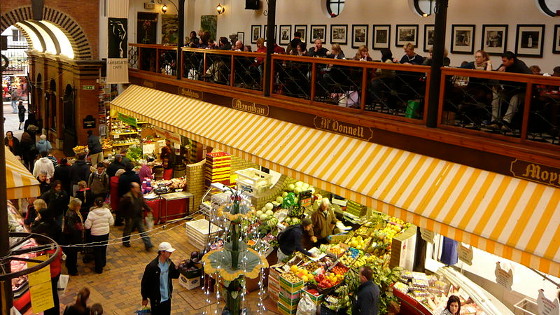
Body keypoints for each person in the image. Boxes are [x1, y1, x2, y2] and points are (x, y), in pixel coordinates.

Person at [487, 51, 532, 131]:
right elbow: (492, 79)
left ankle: (506, 121)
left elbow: (530, 77)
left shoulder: (520, 65)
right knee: (497, 96)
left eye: (505, 61)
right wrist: (499, 73)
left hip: (520, 91)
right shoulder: (503, 66)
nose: (503, 63)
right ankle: (495, 120)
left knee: (515, 99)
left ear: (511, 60)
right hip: (508, 90)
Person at [141, 242, 180, 315]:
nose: (171, 253)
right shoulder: (152, 267)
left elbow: (175, 276)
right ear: (162, 252)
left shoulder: (169, 263)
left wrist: (177, 268)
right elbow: (145, 283)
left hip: (167, 298)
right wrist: (144, 298)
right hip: (157, 299)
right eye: (169, 252)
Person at [33, 232, 63, 315]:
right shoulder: (55, 247)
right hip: (57, 272)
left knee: (49, 295)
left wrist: (38, 253)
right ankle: (55, 312)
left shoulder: (48, 254)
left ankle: (50, 312)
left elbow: (40, 262)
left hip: (50, 275)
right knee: (54, 294)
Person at [85, 197, 114, 274]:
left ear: (95, 204)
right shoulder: (107, 211)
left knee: (97, 251)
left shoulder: (91, 213)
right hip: (105, 233)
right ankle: (103, 263)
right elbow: (111, 222)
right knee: (103, 248)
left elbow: (87, 226)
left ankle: (99, 269)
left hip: (96, 234)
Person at [120, 182, 154, 250]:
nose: (138, 188)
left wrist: (148, 209)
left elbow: (143, 203)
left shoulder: (140, 194)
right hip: (130, 217)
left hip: (138, 216)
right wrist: (124, 216)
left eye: (138, 187)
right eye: (137, 187)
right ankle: (125, 241)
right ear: (132, 189)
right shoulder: (127, 197)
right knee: (128, 230)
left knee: (142, 230)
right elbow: (122, 207)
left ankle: (148, 244)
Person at [64, 198, 85, 276]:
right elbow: (71, 227)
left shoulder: (71, 211)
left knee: (72, 254)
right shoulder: (72, 214)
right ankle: (72, 270)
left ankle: (70, 266)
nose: (80, 207)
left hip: (71, 237)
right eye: (79, 206)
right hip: (72, 238)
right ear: (75, 206)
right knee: (72, 254)